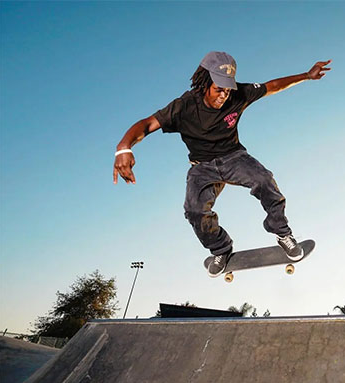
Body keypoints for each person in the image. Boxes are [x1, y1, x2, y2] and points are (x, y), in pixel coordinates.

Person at [113, 51, 331, 277]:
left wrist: (306, 75)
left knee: (264, 180)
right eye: (218, 90)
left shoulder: (239, 94)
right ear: (205, 84)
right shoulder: (183, 106)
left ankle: (282, 233)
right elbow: (147, 124)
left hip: (234, 157)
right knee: (194, 210)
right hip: (202, 167)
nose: (224, 96)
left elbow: (272, 86)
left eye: (227, 90)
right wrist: (124, 147)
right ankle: (221, 249)